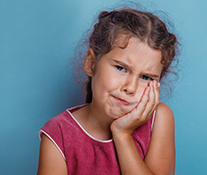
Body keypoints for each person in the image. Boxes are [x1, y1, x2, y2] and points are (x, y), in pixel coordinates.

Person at [37, 7, 178, 175]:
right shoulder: (58, 133)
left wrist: (122, 134)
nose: (130, 88)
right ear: (91, 63)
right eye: (121, 68)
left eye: (146, 77)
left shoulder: (159, 118)